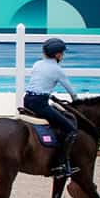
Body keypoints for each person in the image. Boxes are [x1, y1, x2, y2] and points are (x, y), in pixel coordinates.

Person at [22, 37, 79, 177]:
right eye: (62, 53)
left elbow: (39, 82)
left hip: (27, 100)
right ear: (57, 54)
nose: (63, 56)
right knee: (70, 130)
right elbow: (72, 92)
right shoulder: (57, 70)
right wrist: (77, 103)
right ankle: (61, 163)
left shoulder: (37, 64)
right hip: (40, 103)